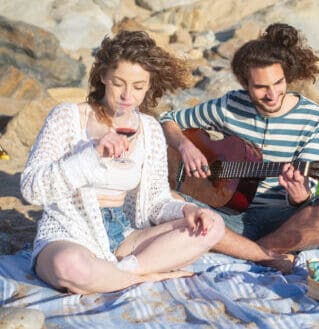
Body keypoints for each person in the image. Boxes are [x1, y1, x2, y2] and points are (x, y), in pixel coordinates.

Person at [20, 30, 226, 294]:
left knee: (211, 225)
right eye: (119, 83)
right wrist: (92, 154)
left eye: (138, 87)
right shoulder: (67, 117)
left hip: (124, 235)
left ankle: (120, 273)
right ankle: (146, 277)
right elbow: (31, 188)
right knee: (68, 266)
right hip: (69, 230)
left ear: (149, 85)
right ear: (103, 75)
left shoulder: (150, 129)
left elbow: (155, 202)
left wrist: (184, 210)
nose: (128, 95)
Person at [160, 23, 319, 273]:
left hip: (282, 220)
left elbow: (307, 196)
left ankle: (249, 250)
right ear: (245, 84)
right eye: (261, 87)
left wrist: (299, 195)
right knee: (167, 198)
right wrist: (185, 145)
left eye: (278, 83)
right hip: (224, 215)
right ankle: (263, 255)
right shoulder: (229, 104)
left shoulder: (313, 117)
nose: (272, 94)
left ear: (287, 76)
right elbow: (167, 119)